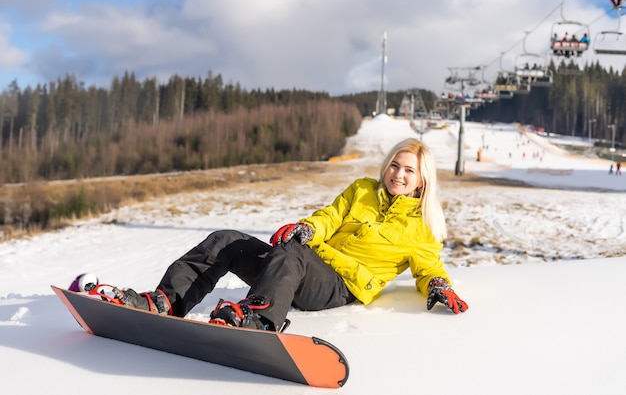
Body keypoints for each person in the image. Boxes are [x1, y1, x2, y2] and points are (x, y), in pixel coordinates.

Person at [110, 138, 469, 331]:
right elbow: (330, 216)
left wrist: (440, 285)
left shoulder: (422, 226)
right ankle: (167, 301)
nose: (398, 174)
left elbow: (429, 266)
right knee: (227, 240)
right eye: (395, 164)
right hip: (297, 268)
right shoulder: (362, 189)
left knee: (294, 252)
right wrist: (308, 228)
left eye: (409, 170)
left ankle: (260, 319)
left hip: (338, 287)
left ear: (422, 179)